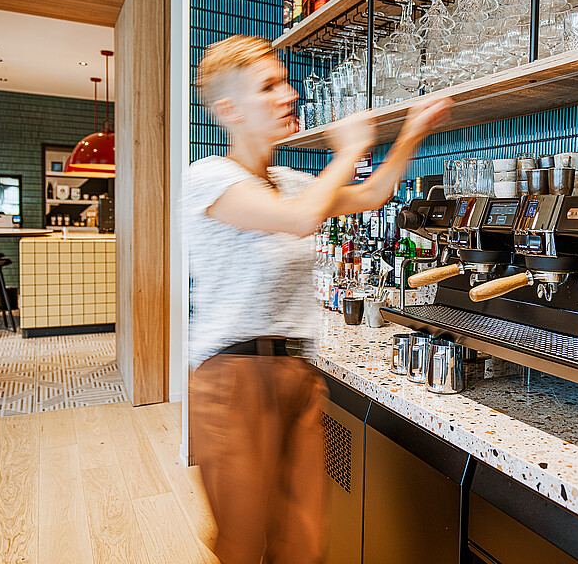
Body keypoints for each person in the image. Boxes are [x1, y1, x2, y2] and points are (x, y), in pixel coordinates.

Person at [179, 35, 450, 564]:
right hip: (233, 381)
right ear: (228, 110)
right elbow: (303, 221)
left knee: (303, 545)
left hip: (297, 375)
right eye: (269, 87)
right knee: (243, 546)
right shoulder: (207, 178)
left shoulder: (288, 180)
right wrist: (347, 150)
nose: (289, 94)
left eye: (285, 81)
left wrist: (411, 133)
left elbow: (373, 196)